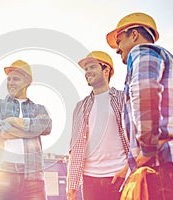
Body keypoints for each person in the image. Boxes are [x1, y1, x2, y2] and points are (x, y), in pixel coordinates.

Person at [106, 12, 173, 199]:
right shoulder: (166, 61)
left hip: (160, 167)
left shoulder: (142, 52)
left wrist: (147, 149)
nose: (117, 49)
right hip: (169, 165)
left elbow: (145, 93)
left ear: (133, 35)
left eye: (119, 41)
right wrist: (128, 167)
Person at [0, 60, 52, 200]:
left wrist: (11, 121)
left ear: (27, 81)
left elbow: (47, 126)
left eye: (16, 79)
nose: (10, 82)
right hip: (1, 173)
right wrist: (30, 129)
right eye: (8, 79)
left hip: (32, 176)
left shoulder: (38, 108)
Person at [67, 51, 129, 200]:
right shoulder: (81, 107)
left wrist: (128, 169)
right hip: (90, 180)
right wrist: (72, 185)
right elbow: (75, 148)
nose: (87, 72)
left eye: (91, 67)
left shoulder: (124, 98)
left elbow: (135, 135)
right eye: (86, 69)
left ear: (106, 70)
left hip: (120, 175)